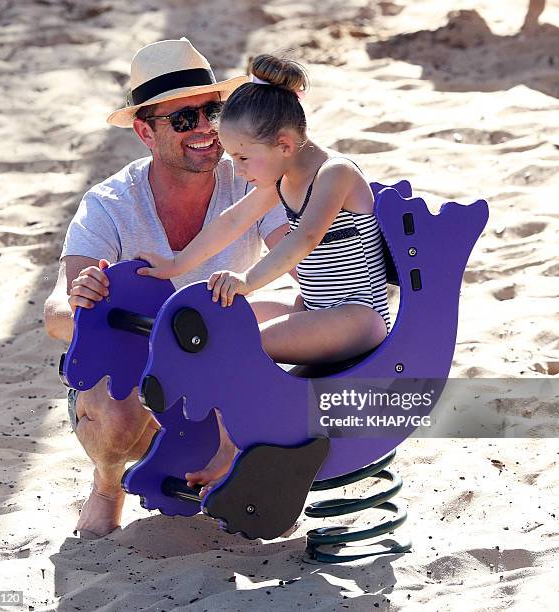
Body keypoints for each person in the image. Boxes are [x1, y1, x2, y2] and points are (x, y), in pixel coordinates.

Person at [43, 39, 289, 538]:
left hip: (224, 377)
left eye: (213, 112)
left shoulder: (249, 182)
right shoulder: (110, 203)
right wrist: (84, 300)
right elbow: (54, 317)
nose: (203, 129)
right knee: (110, 407)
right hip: (141, 382)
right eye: (183, 119)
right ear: (144, 132)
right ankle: (109, 485)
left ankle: (233, 466)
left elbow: (303, 253)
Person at [137, 53, 391, 493]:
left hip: (357, 316)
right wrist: (178, 264)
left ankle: (235, 450)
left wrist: (247, 280)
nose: (236, 169)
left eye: (242, 158)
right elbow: (232, 221)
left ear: (285, 144)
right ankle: (232, 435)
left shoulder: (335, 175)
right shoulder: (283, 174)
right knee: (224, 325)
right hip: (315, 308)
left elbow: (303, 241)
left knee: (245, 347)